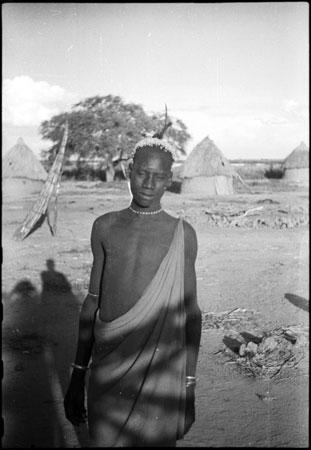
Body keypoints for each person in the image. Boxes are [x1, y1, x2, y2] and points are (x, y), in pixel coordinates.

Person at [64, 128, 202, 447]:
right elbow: (92, 302)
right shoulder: (105, 226)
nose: (149, 184)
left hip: (160, 370)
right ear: (129, 171)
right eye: (142, 173)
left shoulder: (183, 234)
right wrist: (77, 374)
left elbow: (191, 313)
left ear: (170, 180)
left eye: (158, 176)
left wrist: (189, 387)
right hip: (109, 365)